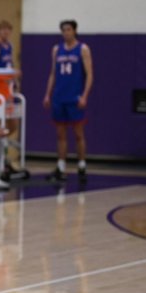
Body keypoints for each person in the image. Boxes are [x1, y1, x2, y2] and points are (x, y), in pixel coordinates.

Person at [43, 19, 93, 183]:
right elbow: (53, 73)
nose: (66, 33)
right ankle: (61, 166)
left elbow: (90, 74)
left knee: (78, 133)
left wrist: (85, 95)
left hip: (75, 97)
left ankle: (82, 165)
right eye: (63, 30)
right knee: (60, 134)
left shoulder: (83, 49)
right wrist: (47, 94)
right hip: (59, 96)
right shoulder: (56, 49)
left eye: (69, 30)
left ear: (75, 31)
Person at [0, 20, 26, 178]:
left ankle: (1, 151)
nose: (5, 32)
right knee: (2, 124)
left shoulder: (10, 46)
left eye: (8, 29)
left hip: (8, 90)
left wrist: (15, 80)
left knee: (12, 125)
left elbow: (9, 66)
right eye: (3, 29)